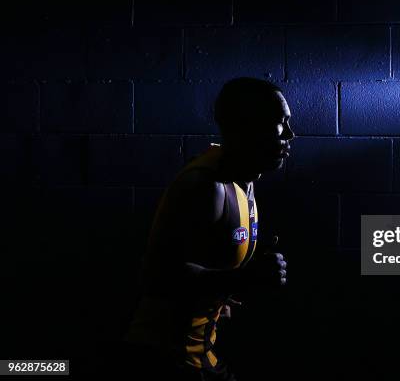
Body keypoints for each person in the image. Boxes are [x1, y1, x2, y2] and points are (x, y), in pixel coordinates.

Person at [120, 77, 295, 380]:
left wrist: (230, 288)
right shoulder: (206, 186)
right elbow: (157, 275)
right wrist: (241, 279)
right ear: (247, 128)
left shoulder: (245, 179)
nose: (290, 134)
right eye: (280, 123)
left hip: (200, 354)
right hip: (167, 359)